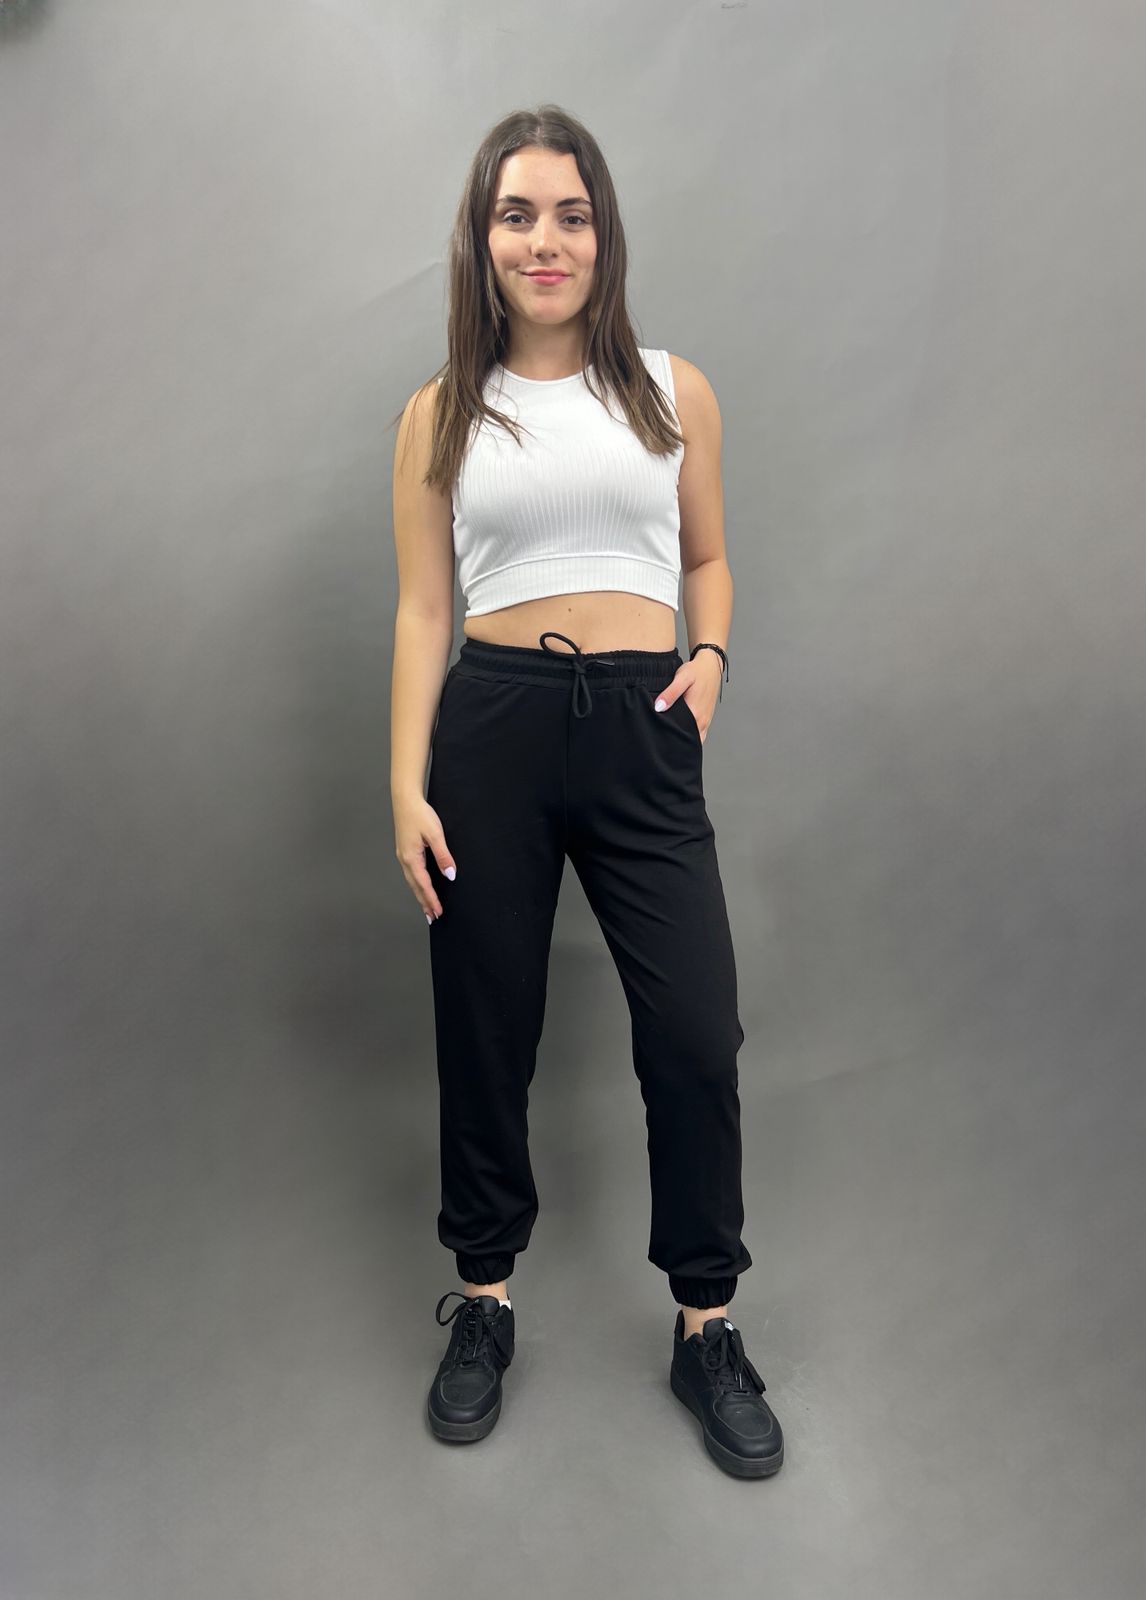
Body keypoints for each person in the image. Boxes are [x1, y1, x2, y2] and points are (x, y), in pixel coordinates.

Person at [389, 105, 784, 1478]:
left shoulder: (675, 393)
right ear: (482, 238)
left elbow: (709, 562)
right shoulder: (439, 413)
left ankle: (705, 1326)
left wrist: (709, 658)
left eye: (570, 213)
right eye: (517, 214)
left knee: (696, 1032)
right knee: (484, 1029)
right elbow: (423, 611)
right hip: (490, 731)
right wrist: (403, 785)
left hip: (639, 729)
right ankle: (485, 1302)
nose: (544, 240)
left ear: (604, 233)